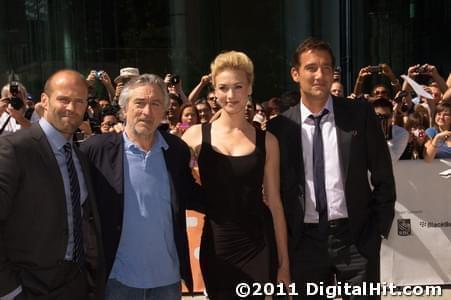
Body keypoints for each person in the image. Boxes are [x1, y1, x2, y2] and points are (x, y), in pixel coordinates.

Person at [267, 38, 396, 299]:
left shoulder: (359, 114)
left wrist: (377, 232)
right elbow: (276, 193)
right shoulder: (279, 128)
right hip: (304, 244)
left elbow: (383, 176)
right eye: (311, 68)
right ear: (295, 74)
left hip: (356, 239)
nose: (320, 75)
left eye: (326, 68)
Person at [80, 74, 203, 300]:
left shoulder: (175, 150)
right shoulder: (96, 151)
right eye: (139, 103)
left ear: (165, 110)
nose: (147, 111)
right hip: (118, 280)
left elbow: (193, 195)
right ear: (124, 109)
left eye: (155, 104)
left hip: (167, 280)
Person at [182, 51, 290, 299]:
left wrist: (284, 263)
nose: (231, 95)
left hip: (259, 244)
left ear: (249, 88)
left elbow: (274, 203)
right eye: (223, 88)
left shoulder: (267, 141)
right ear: (214, 92)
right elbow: (176, 182)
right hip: (217, 245)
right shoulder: (195, 136)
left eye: (238, 87)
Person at [0, 69, 105, 300]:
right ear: (44, 101)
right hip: (27, 287)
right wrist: (9, 290)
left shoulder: (80, 157)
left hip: (75, 285)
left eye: (79, 101)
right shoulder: (14, 149)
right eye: (64, 99)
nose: (72, 107)